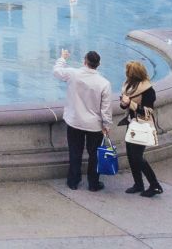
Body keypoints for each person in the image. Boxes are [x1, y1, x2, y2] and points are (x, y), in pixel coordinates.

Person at [54, 48, 113, 191]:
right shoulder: (104, 83)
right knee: (94, 155)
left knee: (75, 152)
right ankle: (93, 183)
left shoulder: (73, 74)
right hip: (94, 125)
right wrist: (106, 125)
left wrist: (62, 58)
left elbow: (56, 71)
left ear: (85, 61)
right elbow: (106, 108)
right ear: (98, 65)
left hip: (75, 121)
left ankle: (73, 181)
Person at [118, 60, 163, 197]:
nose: (126, 74)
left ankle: (155, 185)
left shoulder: (148, 90)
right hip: (132, 123)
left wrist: (130, 103)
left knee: (137, 157)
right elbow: (123, 106)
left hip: (142, 126)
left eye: (128, 72)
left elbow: (148, 112)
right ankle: (138, 184)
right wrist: (124, 103)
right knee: (131, 156)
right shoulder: (129, 86)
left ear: (132, 74)